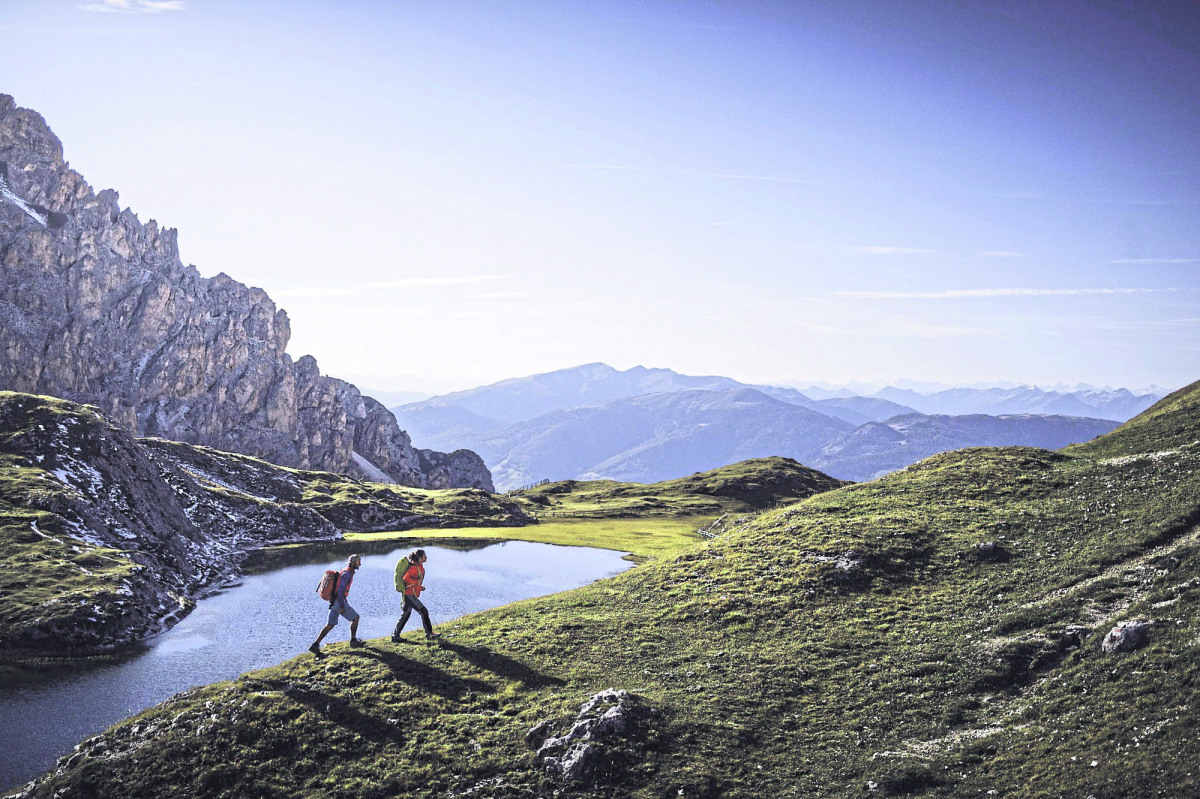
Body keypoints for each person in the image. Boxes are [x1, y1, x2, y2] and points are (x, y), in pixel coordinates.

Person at [309, 553, 364, 658]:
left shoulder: (345, 571)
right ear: (353, 562)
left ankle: (315, 645)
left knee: (330, 624)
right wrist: (342, 605)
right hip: (338, 602)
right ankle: (353, 641)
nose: (360, 564)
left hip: (334, 601)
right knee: (355, 618)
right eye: (358, 562)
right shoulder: (347, 574)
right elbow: (341, 590)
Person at [391, 548, 440, 641]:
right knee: (424, 612)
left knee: (405, 614)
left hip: (409, 594)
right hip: (409, 595)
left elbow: (412, 582)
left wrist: (419, 587)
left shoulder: (418, 566)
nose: (426, 557)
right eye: (425, 556)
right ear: (420, 558)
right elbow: (405, 579)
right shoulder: (413, 567)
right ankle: (429, 634)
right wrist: (417, 582)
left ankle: (395, 636)